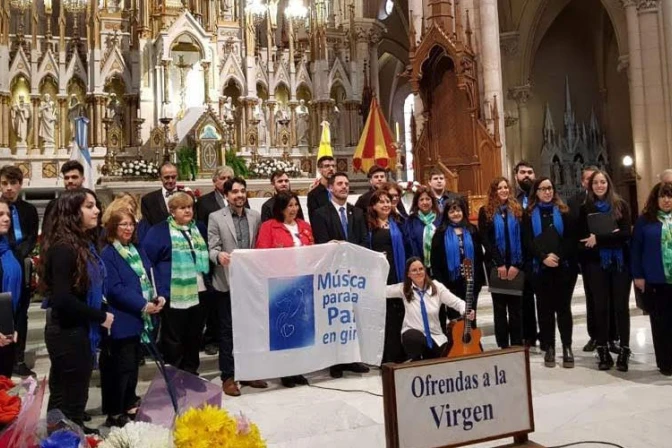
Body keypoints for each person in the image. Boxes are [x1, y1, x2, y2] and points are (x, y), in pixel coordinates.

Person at [41, 189, 114, 433]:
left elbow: (85, 289)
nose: (97, 211)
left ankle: (72, 431)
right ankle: (67, 437)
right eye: (89, 206)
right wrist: (100, 316)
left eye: (96, 205)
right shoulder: (64, 248)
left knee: (71, 391)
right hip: (67, 330)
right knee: (68, 393)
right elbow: (62, 299)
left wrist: (100, 308)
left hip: (76, 327)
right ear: (73, 212)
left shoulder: (82, 243)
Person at [100, 209, 164, 428]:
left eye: (131, 224)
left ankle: (129, 401)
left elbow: (150, 275)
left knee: (132, 366)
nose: (128, 228)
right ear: (113, 228)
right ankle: (114, 410)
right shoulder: (109, 253)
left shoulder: (137, 249)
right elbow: (115, 289)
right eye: (123, 225)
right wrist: (142, 304)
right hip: (122, 317)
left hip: (140, 318)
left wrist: (158, 295)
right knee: (121, 367)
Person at [208, 177, 268, 396]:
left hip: (249, 284)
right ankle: (228, 376)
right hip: (226, 282)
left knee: (250, 329)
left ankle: (250, 372)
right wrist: (219, 256)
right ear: (226, 195)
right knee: (227, 332)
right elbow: (211, 248)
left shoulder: (255, 216)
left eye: (243, 191)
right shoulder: (216, 217)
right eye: (235, 192)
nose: (240, 195)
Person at [310, 172, 370, 378]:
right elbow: (323, 243)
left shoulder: (358, 213)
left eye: (346, 183)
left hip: (355, 273)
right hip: (333, 274)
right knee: (336, 317)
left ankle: (353, 358)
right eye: (340, 184)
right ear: (331, 189)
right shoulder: (320, 214)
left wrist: (355, 260)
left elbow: (363, 240)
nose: (344, 187)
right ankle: (335, 361)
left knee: (354, 316)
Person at [143, 192, 209, 375]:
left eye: (189, 207)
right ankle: (175, 375)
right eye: (182, 207)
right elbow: (149, 261)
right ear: (172, 211)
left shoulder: (199, 228)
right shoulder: (159, 231)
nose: (187, 211)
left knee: (194, 335)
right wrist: (159, 291)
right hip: (173, 292)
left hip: (200, 290)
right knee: (174, 337)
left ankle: (191, 373)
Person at [255, 191, 312, 388]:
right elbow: (262, 254)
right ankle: (285, 370)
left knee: (301, 327)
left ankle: (298, 368)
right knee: (283, 329)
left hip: (303, 285)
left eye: (295, 205)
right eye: (289, 205)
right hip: (280, 286)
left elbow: (314, 251)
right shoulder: (269, 227)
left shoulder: (304, 226)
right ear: (280, 208)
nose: (293, 209)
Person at [578, 170, 632, 371]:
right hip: (596, 264)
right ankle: (602, 349)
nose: (599, 186)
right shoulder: (586, 209)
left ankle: (624, 349)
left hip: (620, 264)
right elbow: (584, 241)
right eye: (595, 183)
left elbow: (626, 234)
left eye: (603, 182)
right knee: (600, 307)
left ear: (608, 184)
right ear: (590, 186)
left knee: (620, 307)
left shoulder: (621, 205)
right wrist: (612, 236)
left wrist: (599, 239)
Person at [523, 177, 576, 369]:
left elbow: (570, 239)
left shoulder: (564, 212)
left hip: (563, 268)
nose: (547, 192)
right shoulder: (528, 215)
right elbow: (527, 241)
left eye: (550, 188)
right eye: (543, 189)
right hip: (540, 269)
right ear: (536, 192)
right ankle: (550, 347)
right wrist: (543, 257)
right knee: (544, 310)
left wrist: (558, 256)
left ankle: (567, 347)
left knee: (563, 309)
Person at [568, 166, 618, 352]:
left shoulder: (613, 202)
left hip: (611, 256)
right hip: (588, 257)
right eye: (590, 180)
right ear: (583, 182)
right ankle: (594, 336)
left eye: (598, 180)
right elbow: (573, 229)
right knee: (593, 298)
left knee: (611, 298)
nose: (594, 184)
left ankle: (612, 336)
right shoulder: (575, 202)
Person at [386, 258, 473, 361]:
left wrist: (466, 310)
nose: (418, 272)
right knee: (412, 338)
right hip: (414, 335)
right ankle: (417, 361)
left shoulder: (437, 287)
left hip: (436, 336)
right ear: (408, 274)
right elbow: (382, 290)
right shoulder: (404, 288)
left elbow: (457, 302)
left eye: (421, 269)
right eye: (414, 270)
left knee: (451, 356)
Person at [0, 166, 38, 377]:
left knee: (20, 313)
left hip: (20, 264)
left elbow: (32, 236)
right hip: (3, 264)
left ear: (20, 185)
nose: (9, 188)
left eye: (13, 184)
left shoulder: (28, 210)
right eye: (5, 183)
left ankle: (18, 358)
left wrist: (18, 255)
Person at [632, 182, 672, 376]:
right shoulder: (645, 221)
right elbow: (636, 249)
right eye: (662, 196)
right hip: (656, 278)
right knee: (660, 322)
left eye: (670, 196)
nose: (666, 200)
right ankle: (665, 362)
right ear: (655, 199)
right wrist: (638, 275)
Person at [478, 177, 524, 348]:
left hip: (515, 266)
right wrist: (500, 264)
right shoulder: (486, 211)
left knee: (515, 309)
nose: (504, 190)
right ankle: (503, 345)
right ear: (493, 191)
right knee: (499, 309)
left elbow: (522, 238)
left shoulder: (517, 210)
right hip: (496, 266)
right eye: (499, 188)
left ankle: (517, 344)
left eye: (506, 187)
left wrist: (515, 265)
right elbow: (485, 240)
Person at [196, 165, 234, 356]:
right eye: (223, 177)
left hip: (233, 259)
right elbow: (201, 231)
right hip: (212, 257)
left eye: (230, 177)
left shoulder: (237, 199)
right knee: (213, 302)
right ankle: (211, 338)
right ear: (215, 181)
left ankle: (229, 336)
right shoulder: (204, 202)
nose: (226, 180)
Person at [368, 190, 409, 363]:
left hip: (397, 273)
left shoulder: (397, 223)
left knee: (399, 313)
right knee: (383, 317)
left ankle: (400, 353)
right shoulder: (368, 225)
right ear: (374, 206)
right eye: (381, 202)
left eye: (388, 201)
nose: (385, 205)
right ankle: (385, 356)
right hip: (379, 275)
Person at [431, 198, 485, 326]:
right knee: (456, 319)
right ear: (447, 214)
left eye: (458, 211)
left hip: (471, 281)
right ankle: (456, 345)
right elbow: (435, 261)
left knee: (471, 316)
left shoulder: (472, 230)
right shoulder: (440, 233)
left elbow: (479, 257)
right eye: (452, 211)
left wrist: (477, 281)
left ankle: (471, 343)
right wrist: (442, 284)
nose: (456, 214)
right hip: (450, 283)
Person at [513, 160, 538, 348]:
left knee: (545, 299)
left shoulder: (542, 196)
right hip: (521, 257)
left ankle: (546, 336)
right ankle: (528, 335)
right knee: (525, 299)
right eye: (523, 172)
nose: (527, 175)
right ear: (516, 176)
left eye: (530, 172)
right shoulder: (512, 199)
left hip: (541, 256)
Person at [0, 198, 21, 378]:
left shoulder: (9, 251)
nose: (6, 218)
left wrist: (12, 327)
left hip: (6, 332)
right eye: (0, 215)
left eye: (7, 214)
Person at [42, 161, 88, 232]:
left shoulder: (91, 203)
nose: (70, 181)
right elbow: (47, 232)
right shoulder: (53, 205)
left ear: (83, 179)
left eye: (74, 177)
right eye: (66, 178)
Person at [405, 187, 441, 273]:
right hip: (419, 266)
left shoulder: (440, 218)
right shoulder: (411, 221)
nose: (425, 202)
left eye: (428, 199)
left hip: (439, 265)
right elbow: (410, 244)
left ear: (432, 201)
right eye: (421, 200)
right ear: (417, 203)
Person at [140, 162, 179, 227]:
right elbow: (147, 225)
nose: (170, 181)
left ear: (177, 176)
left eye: (173, 177)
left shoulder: (187, 196)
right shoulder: (148, 200)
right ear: (160, 177)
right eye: (166, 177)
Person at [307, 156, 336, 223]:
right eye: (327, 166)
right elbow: (314, 220)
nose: (331, 169)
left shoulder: (339, 190)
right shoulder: (313, 195)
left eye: (333, 166)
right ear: (319, 170)